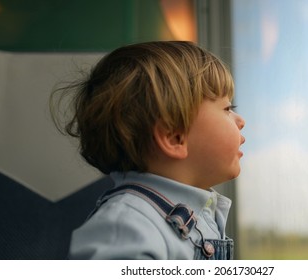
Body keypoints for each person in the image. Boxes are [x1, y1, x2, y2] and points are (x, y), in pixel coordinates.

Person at [50, 41, 245, 260]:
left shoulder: (196, 217)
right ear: (174, 138)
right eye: (227, 109)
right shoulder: (125, 229)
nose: (241, 121)